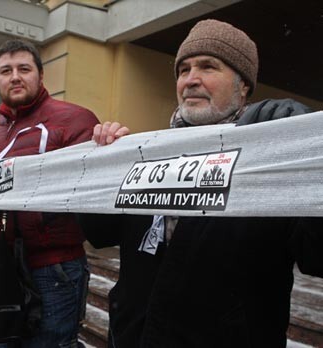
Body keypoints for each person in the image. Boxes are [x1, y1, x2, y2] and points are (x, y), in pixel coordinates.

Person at [86, 19, 323, 348]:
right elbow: (100, 233)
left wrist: (309, 161)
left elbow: (317, 256)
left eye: (208, 67)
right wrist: (101, 169)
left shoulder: (270, 163)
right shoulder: (150, 157)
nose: (190, 80)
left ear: (243, 86)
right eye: (183, 70)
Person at [0, 39, 100, 347]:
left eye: (24, 69)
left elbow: (90, 191)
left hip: (53, 270)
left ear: (41, 76)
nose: (15, 76)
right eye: (6, 70)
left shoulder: (76, 119)